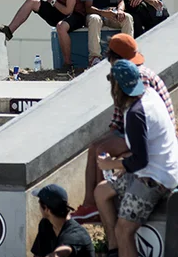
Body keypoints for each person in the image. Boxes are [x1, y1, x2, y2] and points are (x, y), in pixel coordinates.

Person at [94, 59, 178, 257]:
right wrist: (120, 164)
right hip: (157, 166)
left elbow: (140, 161)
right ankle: (114, 253)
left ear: (118, 88)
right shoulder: (150, 95)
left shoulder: (136, 113)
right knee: (102, 191)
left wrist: (112, 166)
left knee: (124, 229)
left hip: (154, 178)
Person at [71, 34, 173, 222]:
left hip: (149, 135)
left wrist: (110, 156)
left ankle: (105, 203)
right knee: (94, 148)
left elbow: (135, 120)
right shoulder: (130, 74)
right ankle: (89, 204)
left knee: (102, 150)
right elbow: (119, 119)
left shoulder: (137, 77)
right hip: (135, 129)